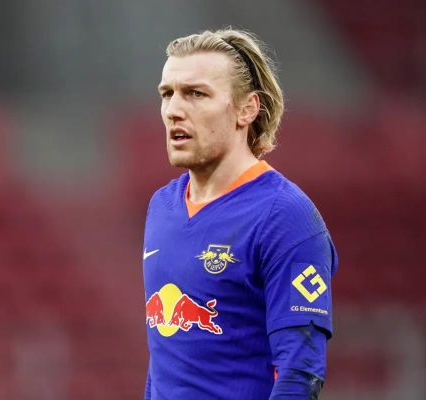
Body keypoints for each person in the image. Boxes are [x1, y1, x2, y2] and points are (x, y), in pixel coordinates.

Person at [143, 27, 338, 399]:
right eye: (167, 94)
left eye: (196, 94)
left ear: (247, 109)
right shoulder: (161, 207)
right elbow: (165, 365)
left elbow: (300, 373)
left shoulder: (286, 216)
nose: (174, 110)